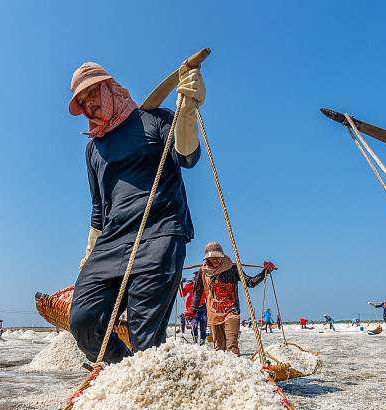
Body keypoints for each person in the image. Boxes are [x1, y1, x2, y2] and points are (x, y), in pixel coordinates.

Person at [67, 61, 206, 364]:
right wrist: (89, 253)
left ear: (109, 87)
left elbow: (187, 156)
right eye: (82, 100)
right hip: (112, 243)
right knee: (83, 321)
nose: (89, 103)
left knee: (146, 337)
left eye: (92, 92)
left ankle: (145, 384)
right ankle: (124, 373)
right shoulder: (93, 149)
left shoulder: (155, 119)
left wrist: (188, 111)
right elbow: (98, 207)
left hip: (160, 233)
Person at [187, 242, 276, 355]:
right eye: (214, 258)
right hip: (214, 313)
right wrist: (192, 310)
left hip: (231, 311)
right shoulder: (203, 272)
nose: (217, 260)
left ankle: (235, 368)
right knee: (219, 349)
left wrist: (264, 272)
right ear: (207, 258)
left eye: (219, 257)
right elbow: (197, 292)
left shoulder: (232, 268)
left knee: (232, 346)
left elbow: (250, 282)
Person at [180, 273, 207, 345]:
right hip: (192, 308)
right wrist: (181, 284)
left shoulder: (205, 285)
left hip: (202, 307)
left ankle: (202, 340)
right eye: (195, 276)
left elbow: (208, 297)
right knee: (194, 326)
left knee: (204, 323)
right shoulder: (190, 284)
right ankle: (195, 339)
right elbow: (182, 294)